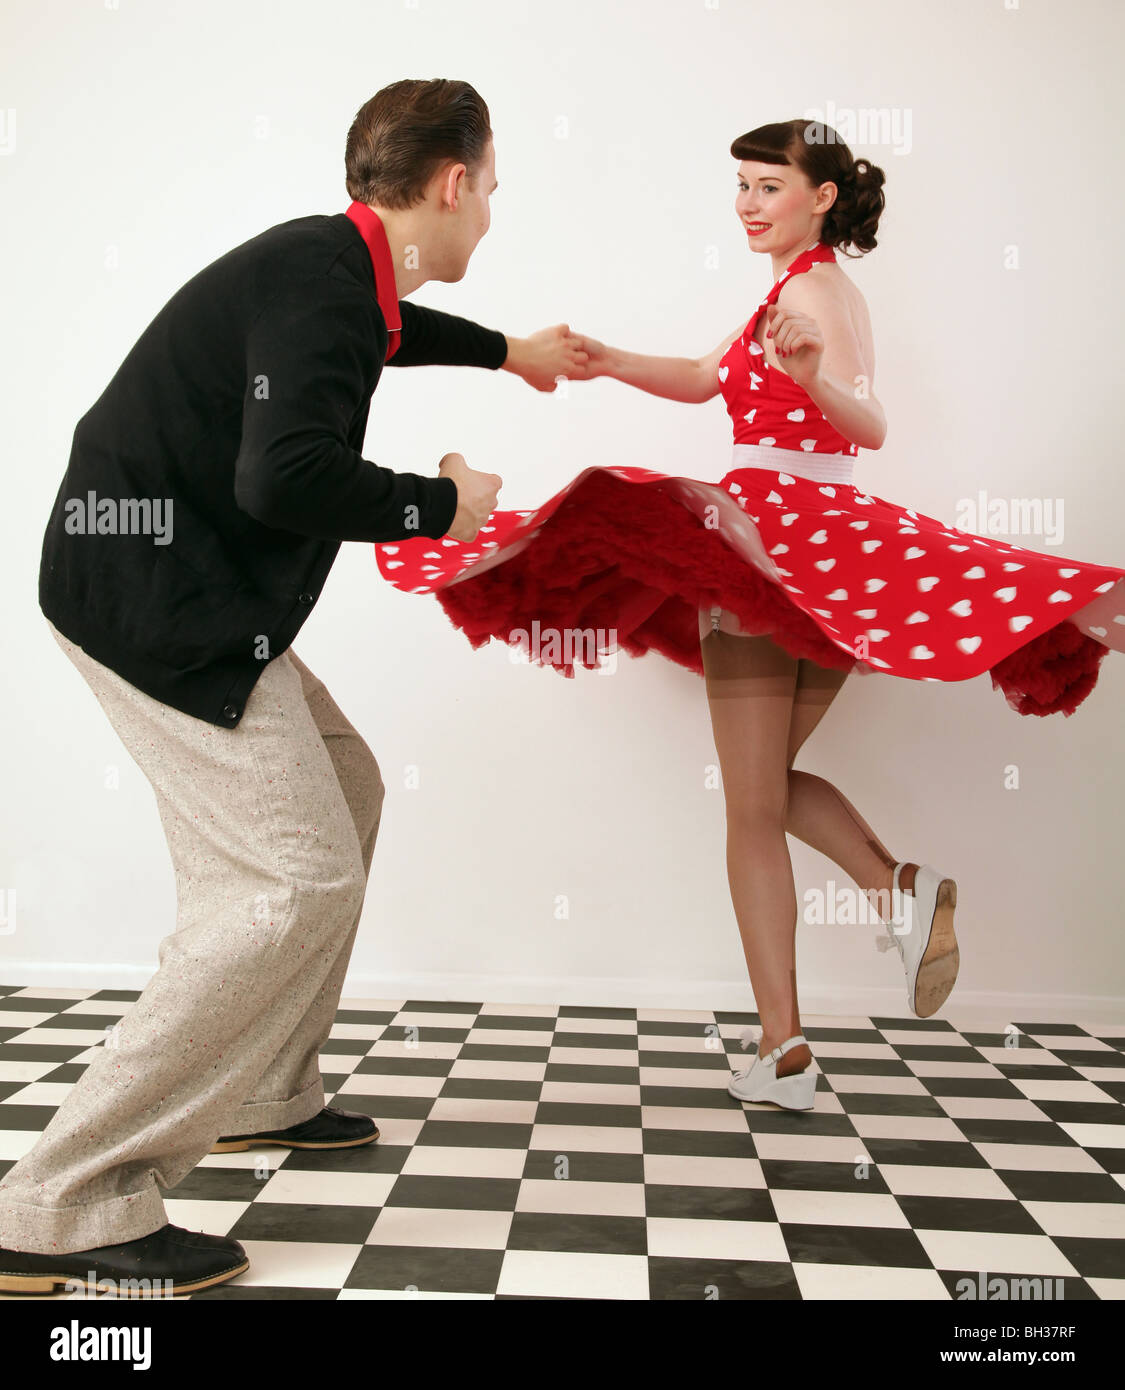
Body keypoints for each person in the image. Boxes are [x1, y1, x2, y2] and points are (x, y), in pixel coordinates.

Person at [374, 118, 1125, 1114]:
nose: (748, 204)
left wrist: (815, 377)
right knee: (763, 790)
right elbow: (704, 379)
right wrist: (608, 359)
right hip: (832, 554)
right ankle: (893, 895)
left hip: (773, 545)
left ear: (821, 197)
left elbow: (870, 420)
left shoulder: (814, 292)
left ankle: (789, 1045)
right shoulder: (792, 288)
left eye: (770, 186)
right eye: (741, 185)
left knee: (747, 809)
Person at [0, 78, 582, 1297]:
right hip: (160, 605)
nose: (493, 215)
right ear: (454, 183)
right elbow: (287, 477)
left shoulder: (333, 267)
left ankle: (266, 1084)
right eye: (495, 188)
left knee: (348, 790)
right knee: (293, 878)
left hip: (171, 581)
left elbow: (379, 334)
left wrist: (507, 354)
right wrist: (442, 503)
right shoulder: (327, 285)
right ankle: (60, 1199)